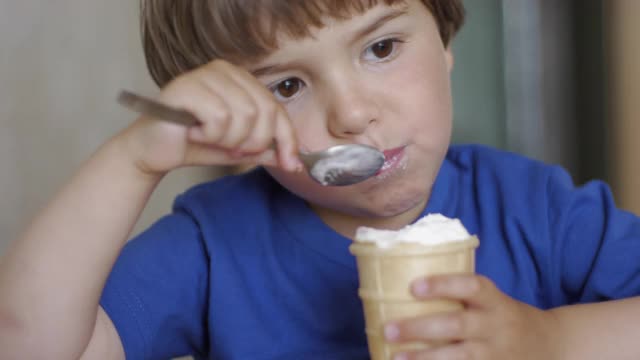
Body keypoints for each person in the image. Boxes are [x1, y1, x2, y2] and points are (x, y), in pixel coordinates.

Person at [2, 0, 640, 359]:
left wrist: (549, 341)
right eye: (286, 86)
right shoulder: (212, 246)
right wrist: (134, 158)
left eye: (381, 49)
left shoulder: (536, 211)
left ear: (444, 35)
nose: (352, 114)